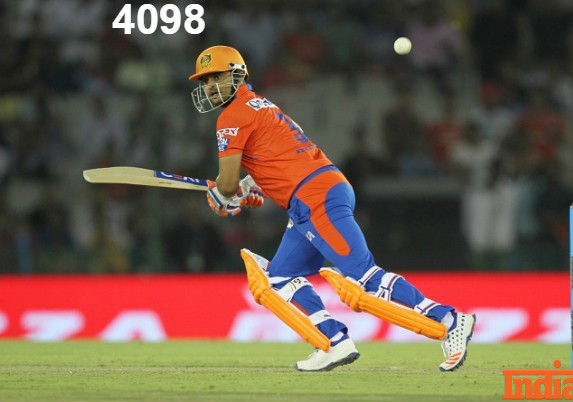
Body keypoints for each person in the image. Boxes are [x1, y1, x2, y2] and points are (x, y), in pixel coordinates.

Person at [189, 45, 476, 372]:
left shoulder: (231, 116)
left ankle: (451, 320)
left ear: (237, 75)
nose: (210, 86)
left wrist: (224, 194)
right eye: (205, 80)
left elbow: (226, 185)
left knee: (365, 277)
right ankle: (334, 341)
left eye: (216, 76)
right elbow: (277, 160)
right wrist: (246, 188)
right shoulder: (261, 105)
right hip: (314, 194)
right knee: (281, 277)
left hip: (314, 197)